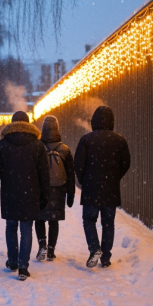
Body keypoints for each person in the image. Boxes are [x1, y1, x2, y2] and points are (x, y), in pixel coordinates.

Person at [0, 111, 50, 281]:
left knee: (11, 227)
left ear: (11, 123)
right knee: (26, 229)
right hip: (30, 192)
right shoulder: (38, 145)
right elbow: (44, 173)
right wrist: (45, 195)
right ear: (28, 124)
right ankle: (23, 267)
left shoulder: (2, 144)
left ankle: (13, 261)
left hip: (9, 192)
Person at [74, 106, 131, 268]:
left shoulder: (86, 139)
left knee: (89, 220)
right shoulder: (120, 140)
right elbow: (126, 163)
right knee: (108, 223)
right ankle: (106, 257)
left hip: (91, 188)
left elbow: (78, 163)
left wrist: (84, 180)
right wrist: (113, 177)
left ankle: (94, 249)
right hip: (110, 190)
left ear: (94, 121)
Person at [35, 115, 75, 262]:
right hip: (59, 189)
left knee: (39, 219)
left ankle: (42, 245)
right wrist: (70, 194)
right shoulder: (64, 149)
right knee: (54, 220)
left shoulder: (38, 147)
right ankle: (51, 250)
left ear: (43, 128)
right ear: (57, 129)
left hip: (42, 189)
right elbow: (71, 173)